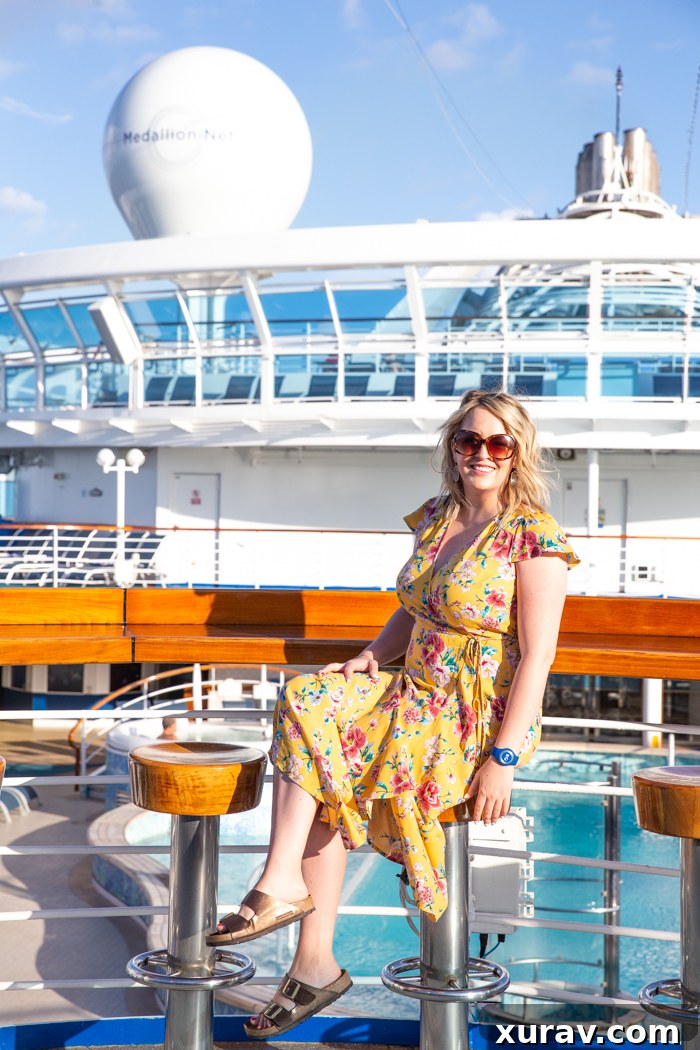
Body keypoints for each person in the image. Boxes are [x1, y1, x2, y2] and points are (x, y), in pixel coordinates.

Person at [206, 389, 579, 1040]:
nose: (481, 453)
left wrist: (504, 758)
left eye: (497, 442)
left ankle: (302, 937)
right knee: (309, 702)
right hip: (412, 687)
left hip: (471, 713)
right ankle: (302, 930)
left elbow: (538, 656)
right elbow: (415, 608)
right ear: (452, 447)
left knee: (325, 761)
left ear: (518, 453)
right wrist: (370, 656)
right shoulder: (436, 515)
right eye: (468, 440)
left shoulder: (533, 535)